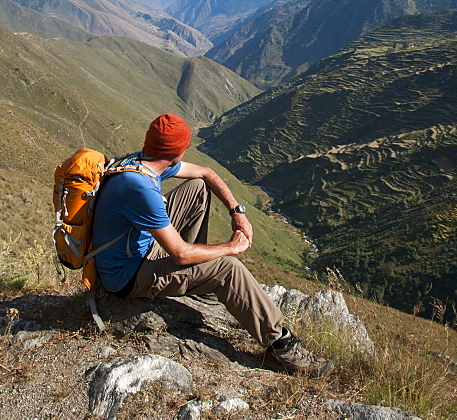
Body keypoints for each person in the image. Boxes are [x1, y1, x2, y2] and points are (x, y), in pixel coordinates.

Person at [92, 113, 332, 377]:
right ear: (177, 152)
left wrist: (236, 211)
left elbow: (206, 173)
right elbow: (180, 254)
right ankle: (281, 346)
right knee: (228, 268)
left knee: (196, 187)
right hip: (127, 275)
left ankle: (198, 284)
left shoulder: (142, 162)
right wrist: (231, 247)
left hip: (135, 247)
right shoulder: (139, 188)